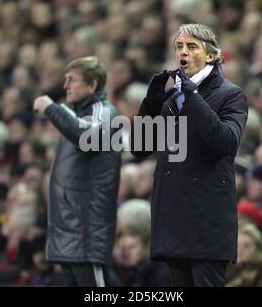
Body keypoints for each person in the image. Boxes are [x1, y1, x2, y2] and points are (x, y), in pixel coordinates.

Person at [131, 24, 249, 287]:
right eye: (179, 46)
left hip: (206, 222)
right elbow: (139, 148)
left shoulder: (231, 94)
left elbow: (225, 142)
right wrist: (150, 104)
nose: (183, 52)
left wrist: (192, 96)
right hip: (173, 217)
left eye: (192, 46)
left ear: (211, 55)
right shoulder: (172, 98)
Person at [33, 56, 121, 287]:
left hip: (86, 230)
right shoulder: (78, 115)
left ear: (92, 85)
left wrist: (52, 108)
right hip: (69, 229)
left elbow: (88, 137)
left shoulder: (103, 111)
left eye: (72, 80)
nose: (65, 86)